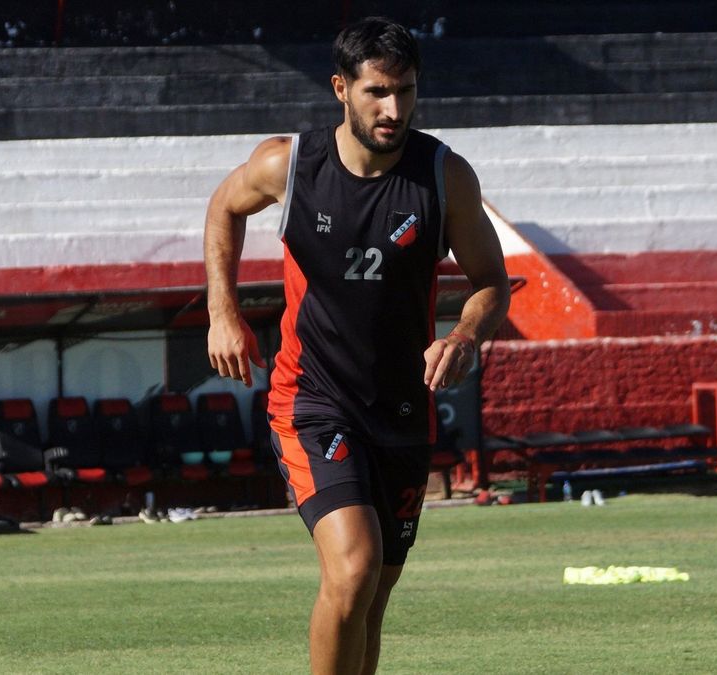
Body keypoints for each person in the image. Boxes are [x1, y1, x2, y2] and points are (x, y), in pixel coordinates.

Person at [204, 16, 510, 675]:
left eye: (405, 91)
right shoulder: (290, 164)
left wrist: (464, 333)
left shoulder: (444, 177)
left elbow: (492, 283)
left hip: (401, 409)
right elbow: (225, 206)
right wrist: (222, 310)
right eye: (377, 91)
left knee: (371, 599)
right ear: (341, 87)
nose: (393, 108)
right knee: (353, 568)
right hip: (313, 400)